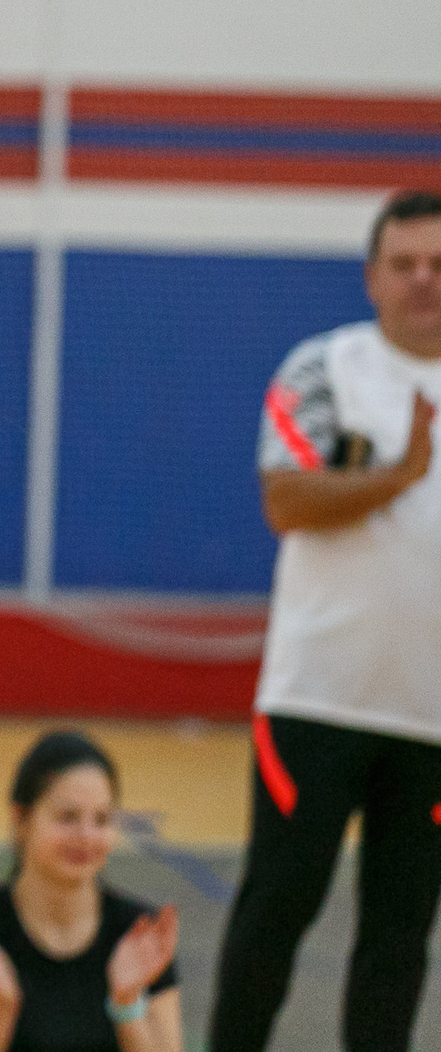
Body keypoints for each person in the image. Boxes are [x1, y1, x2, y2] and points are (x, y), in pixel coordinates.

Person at [211, 188, 441, 1052]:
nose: (423, 280)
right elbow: (287, 497)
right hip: (317, 702)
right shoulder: (324, 367)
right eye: (405, 263)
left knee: (400, 932)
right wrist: (401, 471)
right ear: (372, 276)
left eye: (439, 265)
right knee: (277, 906)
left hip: (431, 718)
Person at [0, 730, 181, 1052]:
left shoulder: (139, 932)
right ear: (21, 819)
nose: (87, 836)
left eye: (102, 819)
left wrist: (126, 1003)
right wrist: (2, 1006)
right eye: (68, 817)